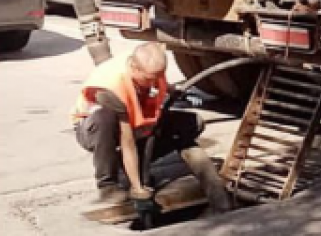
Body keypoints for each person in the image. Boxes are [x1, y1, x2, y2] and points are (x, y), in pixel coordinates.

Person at [71, 42, 228, 212]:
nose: (154, 82)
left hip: (135, 120)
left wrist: (171, 89)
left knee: (191, 123)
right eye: (149, 79)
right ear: (134, 67)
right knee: (106, 119)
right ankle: (107, 185)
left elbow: (157, 83)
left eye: (157, 77)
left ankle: (130, 164)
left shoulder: (150, 65)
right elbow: (127, 141)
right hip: (94, 128)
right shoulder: (111, 87)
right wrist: (138, 188)